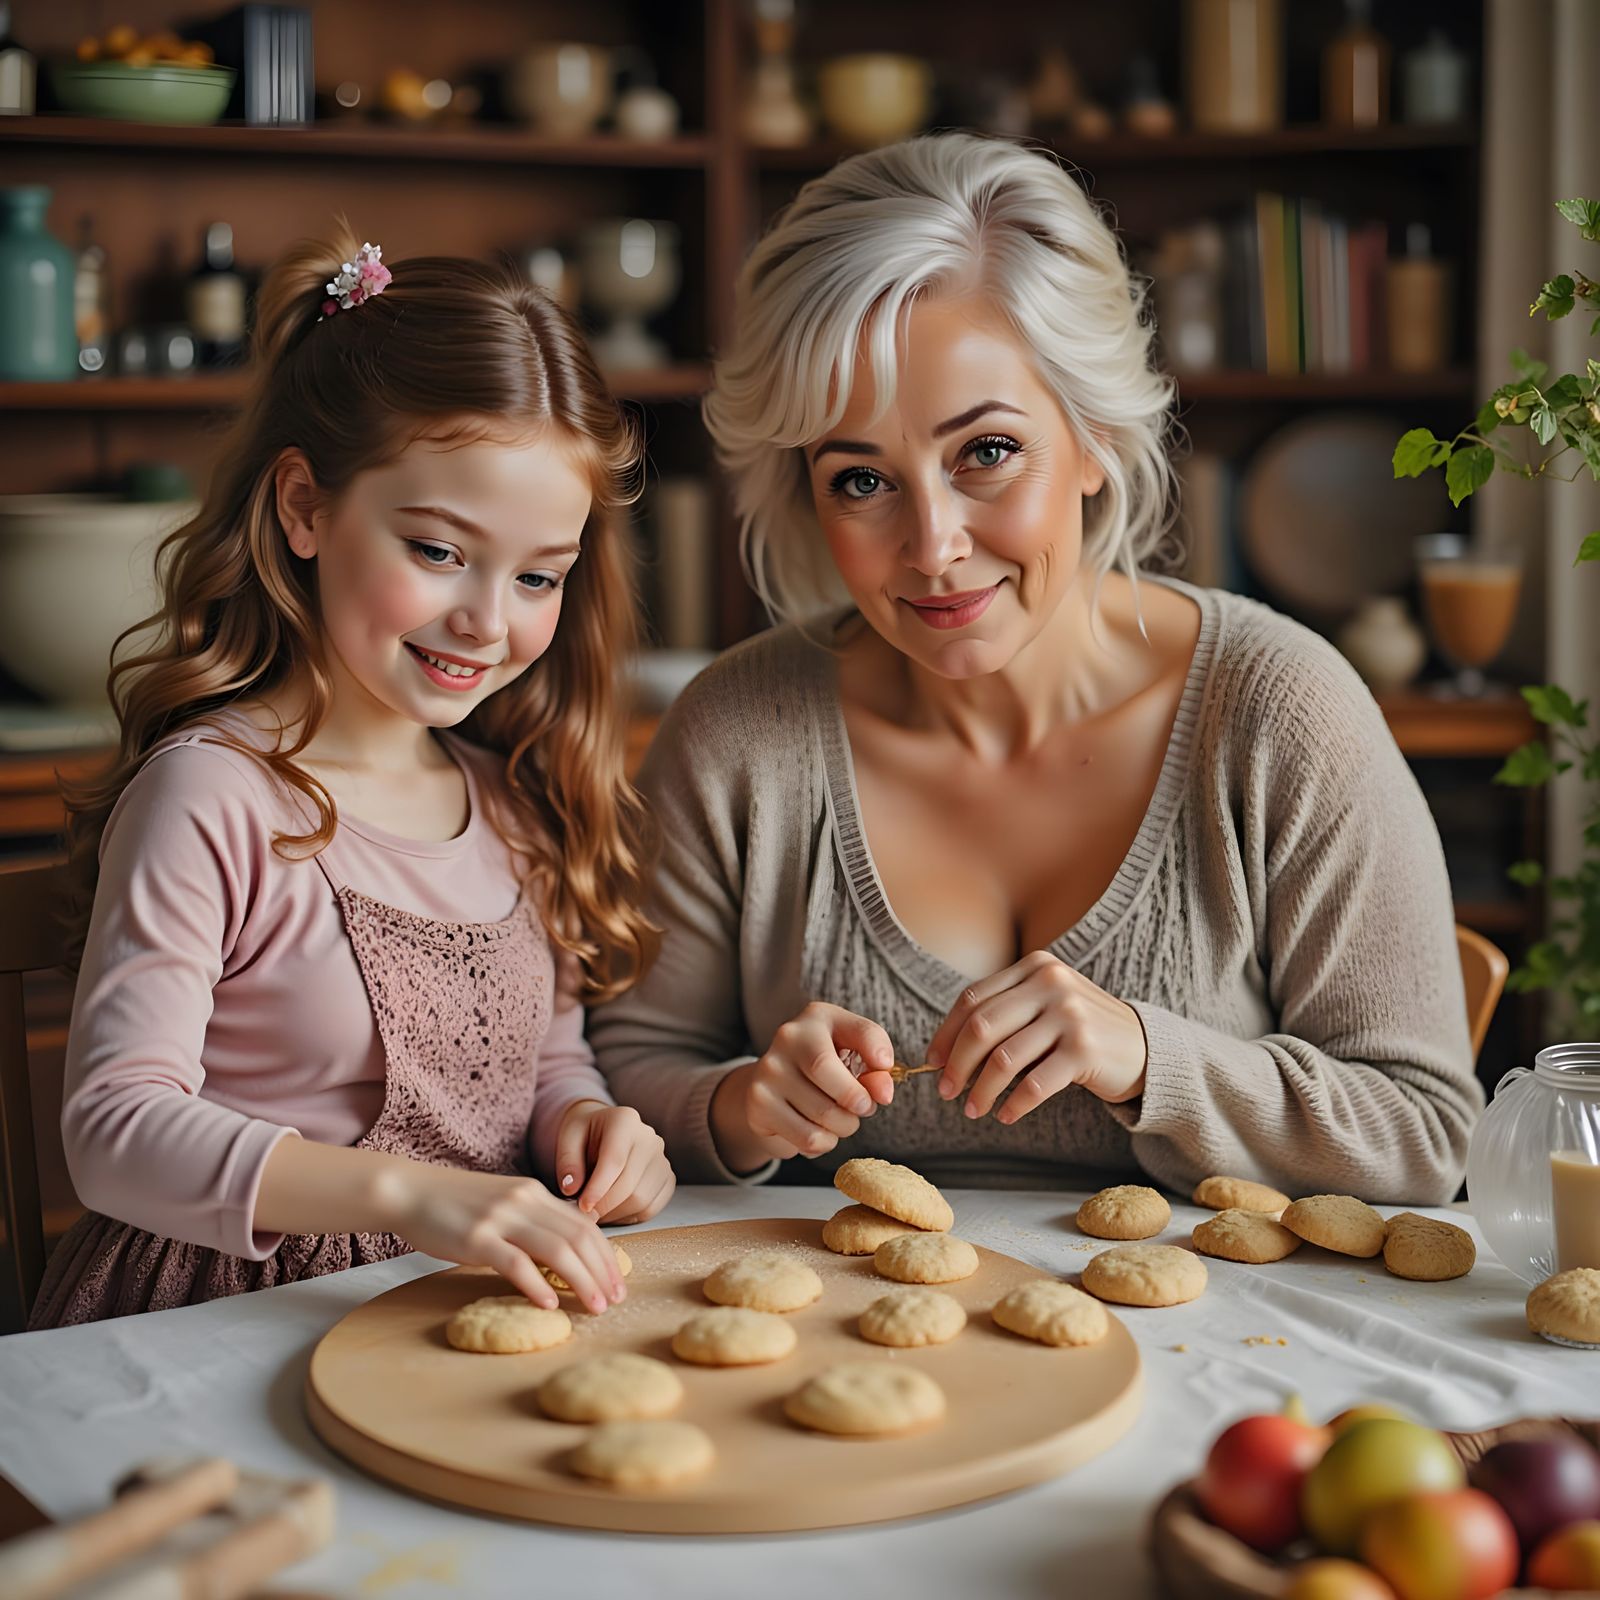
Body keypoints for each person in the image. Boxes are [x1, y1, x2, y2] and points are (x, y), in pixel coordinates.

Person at [590, 132, 1482, 1205]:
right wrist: (739, 1105)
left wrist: (1150, 1058)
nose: (932, 545)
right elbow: (625, 1079)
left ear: (1095, 432)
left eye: (986, 452)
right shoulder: (734, 731)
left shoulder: (1279, 711)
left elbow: (1427, 1135)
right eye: (861, 480)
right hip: (850, 1346)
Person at [31, 226, 673, 1329]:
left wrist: (590, 1121)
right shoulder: (214, 796)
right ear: (305, 509)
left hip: (440, 1313)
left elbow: (548, 1057)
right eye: (436, 550)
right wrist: (407, 1195)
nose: (486, 618)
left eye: (536, 575)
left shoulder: (513, 803)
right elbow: (114, 1131)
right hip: (217, 1320)